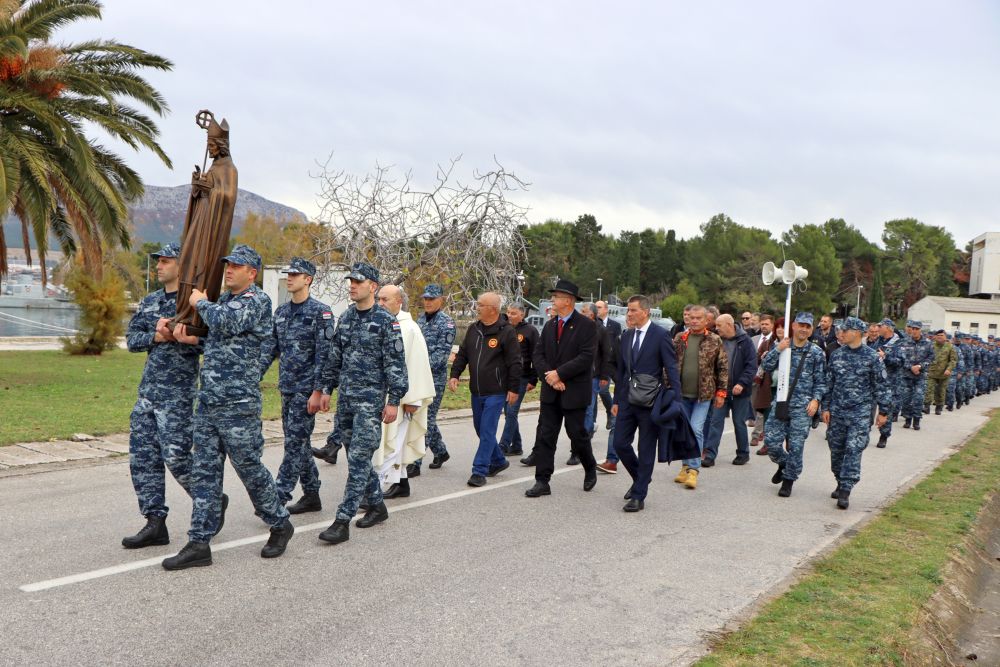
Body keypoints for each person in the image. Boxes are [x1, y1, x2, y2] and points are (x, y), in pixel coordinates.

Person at [162, 245, 291, 570]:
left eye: (236, 266)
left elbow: (227, 323)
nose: (229, 269)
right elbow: (221, 339)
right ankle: (199, 542)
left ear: (252, 273)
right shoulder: (223, 301)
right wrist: (195, 340)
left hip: (238, 405)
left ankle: (279, 522)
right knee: (205, 471)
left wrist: (199, 302)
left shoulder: (257, 300)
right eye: (227, 265)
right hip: (209, 402)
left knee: (248, 468)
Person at [316, 262, 408, 546]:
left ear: (373, 286)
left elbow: (396, 364)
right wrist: (326, 389)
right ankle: (377, 506)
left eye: (358, 282)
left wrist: (394, 400)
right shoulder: (346, 317)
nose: (352, 286)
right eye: (351, 282)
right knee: (355, 456)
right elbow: (335, 356)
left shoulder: (386, 321)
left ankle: (342, 521)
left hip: (370, 402)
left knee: (358, 459)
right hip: (346, 401)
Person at [122, 242, 201, 549]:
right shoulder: (151, 301)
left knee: (177, 457)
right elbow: (132, 339)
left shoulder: (193, 302)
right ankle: (155, 523)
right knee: (143, 458)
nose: (159, 265)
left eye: (166, 260)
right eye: (158, 260)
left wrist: (182, 336)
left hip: (177, 394)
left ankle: (207, 500)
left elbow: (209, 342)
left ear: (182, 265)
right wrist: (157, 335)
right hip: (148, 393)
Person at [259, 257, 331, 515]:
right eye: (288, 274)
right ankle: (312, 495)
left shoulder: (321, 312)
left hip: (307, 391)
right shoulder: (281, 312)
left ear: (307, 279)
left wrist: (319, 391)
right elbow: (271, 349)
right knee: (299, 444)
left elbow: (325, 355)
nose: (289, 278)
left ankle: (277, 498)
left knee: (293, 445)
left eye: (295, 275)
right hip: (287, 388)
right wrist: (253, 375)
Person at [524, 279, 599, 497]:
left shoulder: (586, 326)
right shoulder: (550, 325)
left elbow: (586, 357)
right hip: (551, 391)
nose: (552, 300)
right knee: (546, 436)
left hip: (573, 391)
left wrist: (560, 373)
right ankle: (542, 481)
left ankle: (590, 466)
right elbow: (538, 354)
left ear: (568, 300)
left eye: (556, 297)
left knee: (577, 435)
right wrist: (550, 377)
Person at [610, 295, 681, 511]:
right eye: (628, 310)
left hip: (651, 400)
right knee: (620, 444)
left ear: (646, 311)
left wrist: (676, 399)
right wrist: (616, 400)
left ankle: (638, 495)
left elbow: (671, 368)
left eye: (633, 310)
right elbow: (622, 372)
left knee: (646, 447)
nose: (629, 314)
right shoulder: (626, 336)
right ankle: (641, 478)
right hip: (627, 400)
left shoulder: (660, 335)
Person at [448, 292, 521, 487]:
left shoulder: (507, 332)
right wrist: (454, 374)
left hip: (497, 391)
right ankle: (499, 461)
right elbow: (463, 354)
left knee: (487, 430)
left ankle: (479, 471)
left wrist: (514, 388)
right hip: (476, 391)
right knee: (480, 429)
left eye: (481, 305)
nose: (476, 308)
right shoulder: (474, 329)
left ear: (493, 309)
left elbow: (515, 362)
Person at [372, 285, 436, 499]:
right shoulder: (380, 323)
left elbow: (416, 364)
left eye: (385, 299)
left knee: (393, 443)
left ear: (399, 302)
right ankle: (401, 484)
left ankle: (374, 491)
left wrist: (414, 399)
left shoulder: (409, 328)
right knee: (386, 443)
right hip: (379, 395)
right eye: (379, 299)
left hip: (402, 398)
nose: (380, 303)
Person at [822, 317, 892, 510]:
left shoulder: (872, 357)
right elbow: (829, 383)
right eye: (841, 330)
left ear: (858, 333)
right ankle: (840, 480)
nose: (841, 333)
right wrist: (825, 408)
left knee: (853, 449)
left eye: (846, 330)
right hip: (837, 412)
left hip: (860, 413)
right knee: (836, 450)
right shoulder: (836, 355)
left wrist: (883, 411)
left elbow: (882, 386)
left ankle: (846, 489)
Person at [762, 312, 827, 497]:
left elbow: (821, 381)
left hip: (803, 407)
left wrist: (816, 400)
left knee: (796, 447)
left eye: (808, 327)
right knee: (771, 443)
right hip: (781, 402)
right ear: (793, 326)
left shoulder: (816, 352)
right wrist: (778, 349)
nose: (804, 329)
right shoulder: (782, 346)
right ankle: (784, 464)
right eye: (801, 325)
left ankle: (788, 480)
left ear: (811, 329)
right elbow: (765, 367)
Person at [673, 305, 728, 489]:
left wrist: (721, 392)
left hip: (703, 396)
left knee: (696, 429)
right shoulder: (680, 338)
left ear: (706, 320)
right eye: (692, 318)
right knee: (683, 431)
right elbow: (670, 364)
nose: (694, 321)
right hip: (681, 394)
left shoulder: (714, 339)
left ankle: (694, 470)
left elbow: (722, 367)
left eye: (699, 318)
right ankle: (685, 466)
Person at [409, 284, 456, 476]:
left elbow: (441, 356)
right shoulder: (420, 320)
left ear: (440, 300)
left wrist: (418, 367)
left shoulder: (447, 323)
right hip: (416, 377)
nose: (427, 302)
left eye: (431, 299)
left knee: (426, 418)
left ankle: (415, 462)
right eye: (425, 299)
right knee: (424, 417)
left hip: (433, 379)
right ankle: (441, 451)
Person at [703, 314, 756, 466]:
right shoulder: (716, 340)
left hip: (740, 391)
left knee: (739, 422)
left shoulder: (745, 341)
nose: (716, 328)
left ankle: (743, 453)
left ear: (729, 325)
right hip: (721, 390)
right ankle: (710, 455)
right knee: (715, 422)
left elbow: (751, 365)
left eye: (719, 325)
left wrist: (742, 383)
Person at [498, 302, 539, 456]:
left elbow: (537, 356)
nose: (509, 315)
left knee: (511, 411)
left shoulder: (530, 331)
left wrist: (533, 379)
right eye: (508, 312)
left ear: (522, 314)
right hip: (505, 377)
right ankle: (517, 446)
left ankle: (503, 445)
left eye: (513, 313)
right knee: (508, 412)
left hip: (522, 377)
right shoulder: (503, 328)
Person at [579, 302, 613, 465]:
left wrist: (604, 375)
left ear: (591, 315)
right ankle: (585, 432)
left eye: (583, 311)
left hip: (593, 376)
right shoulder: (577, 327)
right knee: (579, 409)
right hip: (577, 374)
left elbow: (606, 354)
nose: (580, 313)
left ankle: (581, 445)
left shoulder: (601, 330)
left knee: (588, 408)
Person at [896, 320, 934, 431]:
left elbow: (931, 358)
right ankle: (907, 419)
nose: (914, 331)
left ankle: (916, 420)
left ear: (921, 330)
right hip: (907, 376)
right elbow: (900, 358)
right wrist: (911, 367)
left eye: (917, 329)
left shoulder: (928, 343)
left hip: (920, 376)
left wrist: (920, 366)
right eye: (913, 329)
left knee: (918, 398)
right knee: (906, 399)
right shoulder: (904, 342)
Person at [873, 318, 903, 448]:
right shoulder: (877, 341)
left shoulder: (899, 343)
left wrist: (885, 357)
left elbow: (900, 362)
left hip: (890, 382)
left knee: (887, 409)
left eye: (881, 326)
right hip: (875, 379)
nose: (878, 329)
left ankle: (883, 435)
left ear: (888, 328)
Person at [596, 300, 623, 430]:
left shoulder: (615, 325)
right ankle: (594, 421)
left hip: (610, 363)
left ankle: (611, 413)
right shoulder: (593, 324)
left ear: (606, 309)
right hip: (598, 364)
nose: (597, 309)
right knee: (597, 392)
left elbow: (618, 344)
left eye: (599, 307)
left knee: (603, 390)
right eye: (595, 307)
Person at [923, 329, 957, 416]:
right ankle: (926, 406)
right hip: (931, 372)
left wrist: (949, 369)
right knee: (929, 389)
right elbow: (925, 357)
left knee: (941, 391)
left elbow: (953, 360)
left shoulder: (950, 347)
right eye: (938, 336)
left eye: (941, 336)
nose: (939, 337)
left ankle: (939, 407)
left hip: (944, 373)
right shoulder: (931, 346)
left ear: (945, 337)